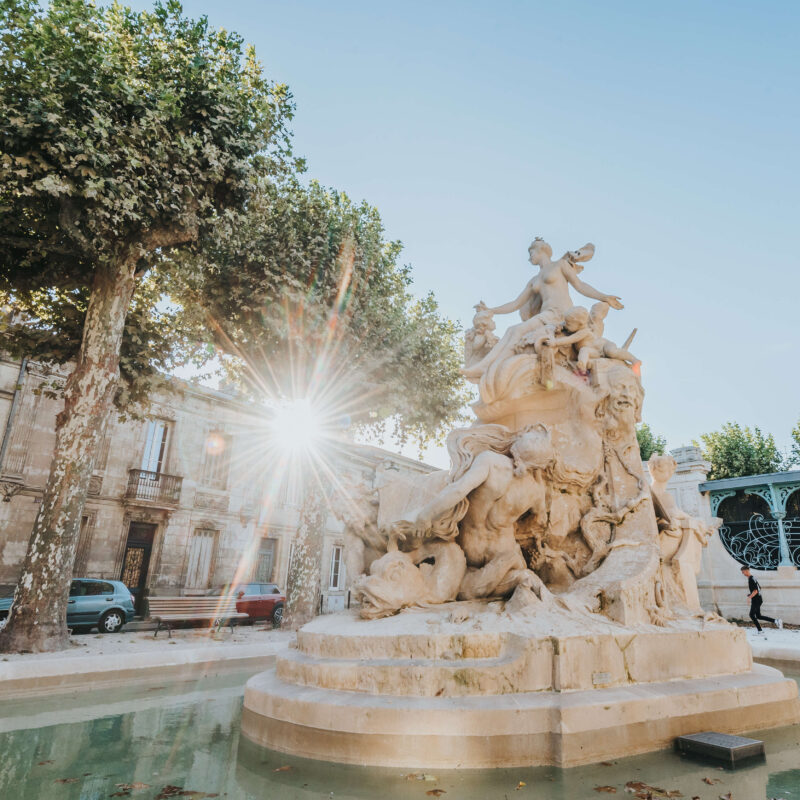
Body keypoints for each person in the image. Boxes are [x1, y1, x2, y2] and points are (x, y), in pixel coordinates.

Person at [741, 565, 783, 634]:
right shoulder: (752, 578)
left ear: (746, 570)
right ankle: (776, 621)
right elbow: (759, 588)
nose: (743, 574)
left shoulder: (751, 579)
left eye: (743, 572)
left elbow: (756, 591)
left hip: (756, 600)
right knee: (758, 616)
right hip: (758, 599)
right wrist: (751, 594)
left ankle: (760, 631)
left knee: (751, 615)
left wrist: (750, 597)